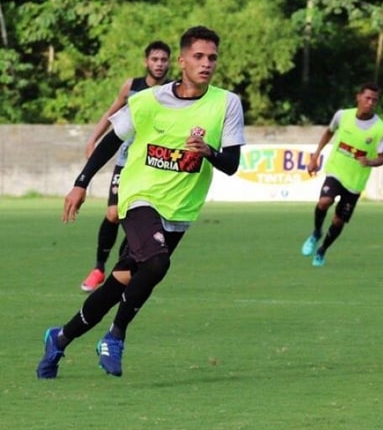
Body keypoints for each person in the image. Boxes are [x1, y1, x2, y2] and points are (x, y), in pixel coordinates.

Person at [36, 25, 245, 379]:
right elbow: (110, 141)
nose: (206, 63)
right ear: (182, 61)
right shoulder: (149, 100)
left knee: (122, 281)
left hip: (180, 209)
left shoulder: (227, 103)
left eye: (212, 57)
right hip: (140, 196)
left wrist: (209, 151)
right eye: (198, 56)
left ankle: (59, 338)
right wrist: (80, 183)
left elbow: (231, 165)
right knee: (157, 263)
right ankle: (115, 337)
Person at [80, 40, 172, 292]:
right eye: (155, 59)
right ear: (146, 62)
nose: (159, 64)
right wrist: (94, 138)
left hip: (154, 165)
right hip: (126, 160)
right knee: (112, 214)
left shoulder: (173, 91)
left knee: (138, 217)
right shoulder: (132, 87)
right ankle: (98, 268)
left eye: (164, 60)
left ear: (170, 62)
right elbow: (112, 113)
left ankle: (122, 270)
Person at [300, 82, 383, 267]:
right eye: (368, 98)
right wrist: (315, 157)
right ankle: (316, 232)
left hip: (355, 182)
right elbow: (328, 133)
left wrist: (370, 161)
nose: (371, 102)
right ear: (358, 97)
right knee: (324, 202)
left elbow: (382, 158)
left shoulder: (380, 129)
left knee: (339, 221)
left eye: (375, 100)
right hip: (336, 171)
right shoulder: (343, 116)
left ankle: (322, 250)